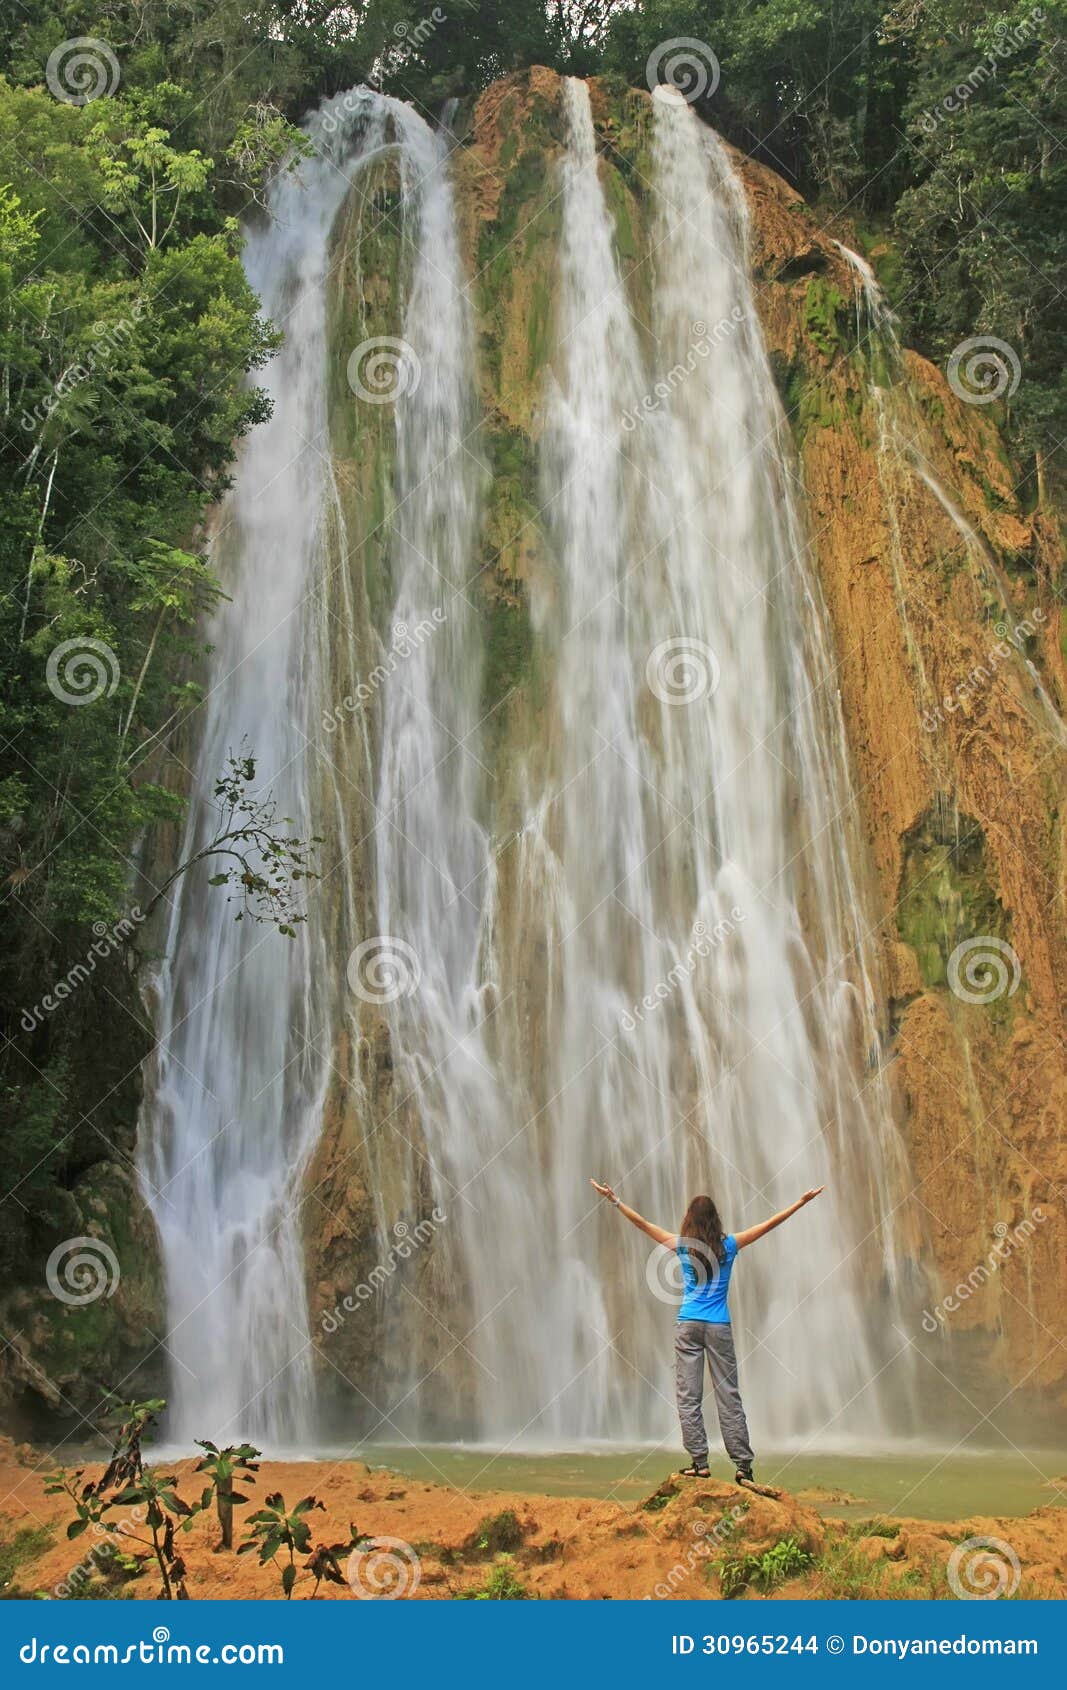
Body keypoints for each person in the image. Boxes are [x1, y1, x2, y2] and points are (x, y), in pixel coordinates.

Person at [590, 1178, 825, 1484]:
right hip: (718, 1327)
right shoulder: (730, 1245)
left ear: (689, 1220)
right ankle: (743, 1467)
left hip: (688, 1325)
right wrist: (801, 1202)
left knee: (689, 1397)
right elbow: (769, 1224)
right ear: (716, 1219)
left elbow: (643, 1224)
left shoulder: (682, 1246)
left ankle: (699, 1463)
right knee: (729, 1396)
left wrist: (615, 1200)